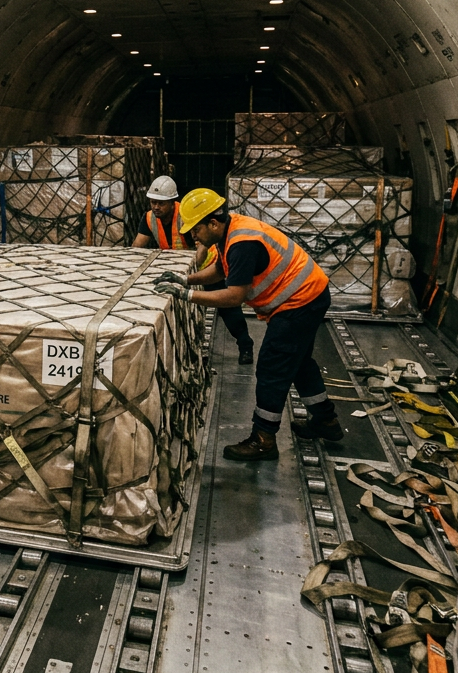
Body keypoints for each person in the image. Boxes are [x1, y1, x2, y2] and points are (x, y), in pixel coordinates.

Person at [155, 188, 339, 462]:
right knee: (298, 362)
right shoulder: (230, 232)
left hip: (299, 302)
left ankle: (264, 439)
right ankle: (326, 421)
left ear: (213, 223)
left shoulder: (242, 243)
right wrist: (186, 280)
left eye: (196, 230)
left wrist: (188, 296)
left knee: (271, 367)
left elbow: (233, 296)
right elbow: (221, 270)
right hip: (309, 294)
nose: (193, 236)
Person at [133, 177, 254, 365]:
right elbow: (137, 248)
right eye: (153, 202)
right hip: (179, 272)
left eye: (161, 203)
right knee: (184, 312)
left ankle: (245, 345)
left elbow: (202, 247)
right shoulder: (149, 218)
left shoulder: (186, 215)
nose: (156, 207)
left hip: (207, 268)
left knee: (228, 308)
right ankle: (188, 351)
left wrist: (190, 271)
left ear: (172, 202)